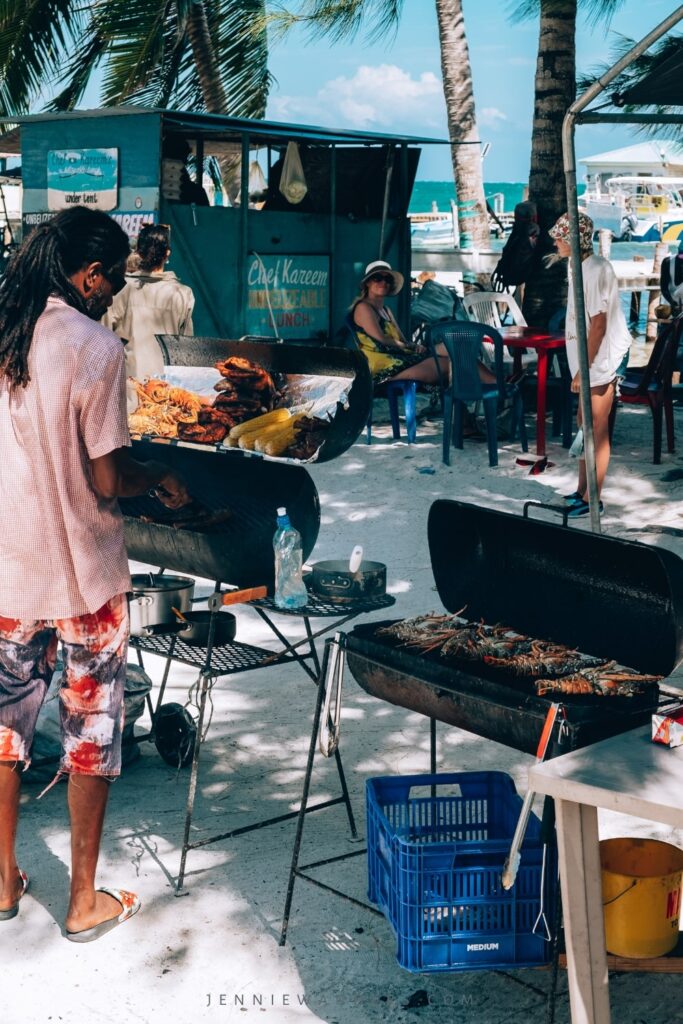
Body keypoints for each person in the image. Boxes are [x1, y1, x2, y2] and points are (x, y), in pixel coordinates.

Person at [0, 207, 190, 941]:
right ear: (88, 274)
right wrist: (161, 477)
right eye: (111, 280)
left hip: (9, 570)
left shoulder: (6, 330)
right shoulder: (95, 345)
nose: (113, 294)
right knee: (90, 731)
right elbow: (110, 478)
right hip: (83, 575)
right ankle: (82, 901)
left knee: (5, 729)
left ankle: (3, 880)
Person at [548, 211, 632, 518]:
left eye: (560, 235)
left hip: (600, 358)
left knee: (596, 430)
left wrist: (584, 368)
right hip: (587, 359)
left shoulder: (595, 269)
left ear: (573, 239)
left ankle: (592, 498)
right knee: (585, 427)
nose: (555, 240)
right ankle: (581, 490)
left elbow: (598, 325)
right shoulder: (578, 266)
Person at [350, 260, 497, 389]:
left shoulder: (386, 310)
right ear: (368, 282)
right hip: (384, 367)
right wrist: (409, 347)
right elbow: (381, 339)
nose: (383, 282)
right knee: (456, 362)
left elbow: (402, 340)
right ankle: (496, 387)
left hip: (403, 358)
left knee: (456, 347)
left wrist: (413, 346)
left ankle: (493, 386)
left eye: (387, 278)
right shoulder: (363, 308)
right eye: (377, 278)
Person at [103, 223, 195, 409]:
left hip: (128, 397)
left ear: (138, 251)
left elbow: (102, 339)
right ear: (167, 254)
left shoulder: (122, 290)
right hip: (167, 397)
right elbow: (187, 351)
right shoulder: (183, 295)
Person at [660, 238, 683, 313]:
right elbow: (664, 287)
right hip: (670, 305)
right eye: (681, 255)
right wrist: (672, 303)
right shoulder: (667, 262)